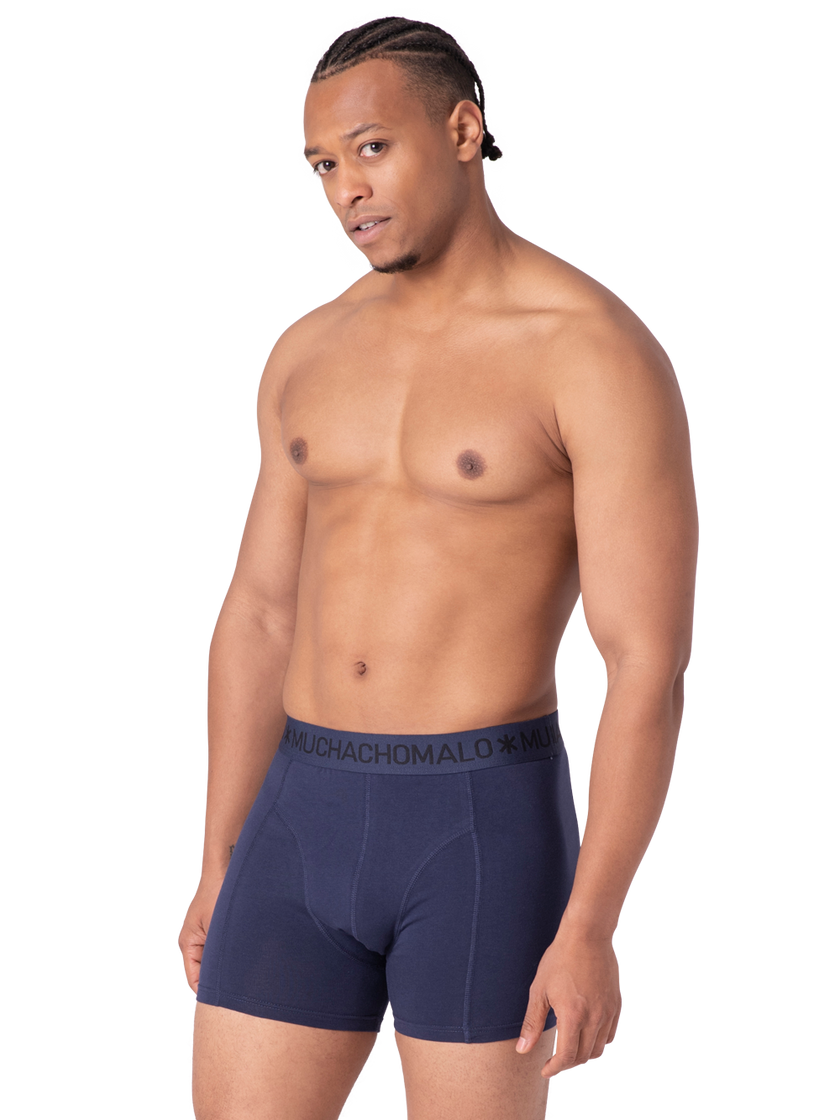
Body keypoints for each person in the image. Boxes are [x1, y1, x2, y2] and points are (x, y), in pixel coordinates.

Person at [176, 14, 700, 1120]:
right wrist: (221, 855)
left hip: (478, 824)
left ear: (463, 131)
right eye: (324, 164)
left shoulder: (591, 350)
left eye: (372, 148)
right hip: (298, 812)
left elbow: (644, 662)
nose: (347, 190)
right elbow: (259, 612)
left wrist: (593, 922)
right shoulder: (308, 348)